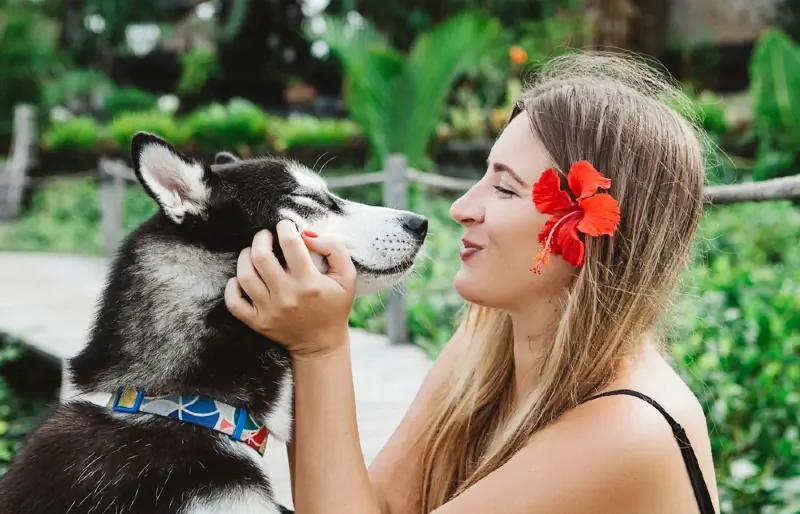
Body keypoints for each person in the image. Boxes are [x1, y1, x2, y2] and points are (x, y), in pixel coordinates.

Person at [224, 50, 721, 514]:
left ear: (591, 228)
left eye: (504, 188)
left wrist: (318, 347)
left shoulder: (629, 429)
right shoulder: (487, 339)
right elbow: (377, 505)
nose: (462, 207)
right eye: (485, 176)